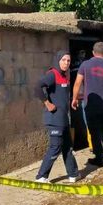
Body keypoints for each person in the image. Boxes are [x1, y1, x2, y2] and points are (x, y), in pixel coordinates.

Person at [34, 50, 79, 183]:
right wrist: (47, 103)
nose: (66, 63)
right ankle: (41, 177)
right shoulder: (52, 74)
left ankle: (73, 174)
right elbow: (37, 87)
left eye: (68, 61)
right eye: (64, 60)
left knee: (68, 147)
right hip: (54, 119)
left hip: (63, 119)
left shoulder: (64, 75)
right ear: (58, 61)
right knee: (55, 147)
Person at [72, 42, 103, 166]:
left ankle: (99, 157)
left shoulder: (85, 65)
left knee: (94, 131)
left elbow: (77, 83)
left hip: (90, 104)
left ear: (93, 52)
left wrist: (74, 98)